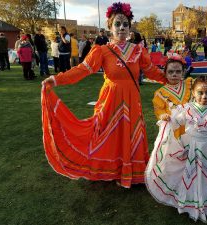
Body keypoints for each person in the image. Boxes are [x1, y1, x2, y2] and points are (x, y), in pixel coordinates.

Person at [41, 2, 168, 188]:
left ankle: (130, 171)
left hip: (132, 101)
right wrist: (57, 79)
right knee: (109, 136)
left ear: (130, 27)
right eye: (117, 24)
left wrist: (171, 79)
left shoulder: (138, 50)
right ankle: (111, 170)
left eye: (125, 24)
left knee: (130, 134)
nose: (122, 28)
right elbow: (82, 70)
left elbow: (151, 71)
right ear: (110, 27)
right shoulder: (102, 51)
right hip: (110, 101)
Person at [146, 73, 207, 223]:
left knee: (206, 171)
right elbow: (176, 122)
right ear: (193, 93)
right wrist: (167, 118)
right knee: (189, 172)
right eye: (200, 92)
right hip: (190, 146)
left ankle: (206, 199)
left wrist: (206, 137)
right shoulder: (186, 109)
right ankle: (189, 199)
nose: (204, 96)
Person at [152, 54, 207, 138]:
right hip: (175, 129)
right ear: (165, 73)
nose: (174, 74)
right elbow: (159, 110)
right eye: (170, 72)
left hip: (194, 125)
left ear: (183, 72)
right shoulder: (160, 93)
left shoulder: (191, 83)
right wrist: (162, 115)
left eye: (178, 71)